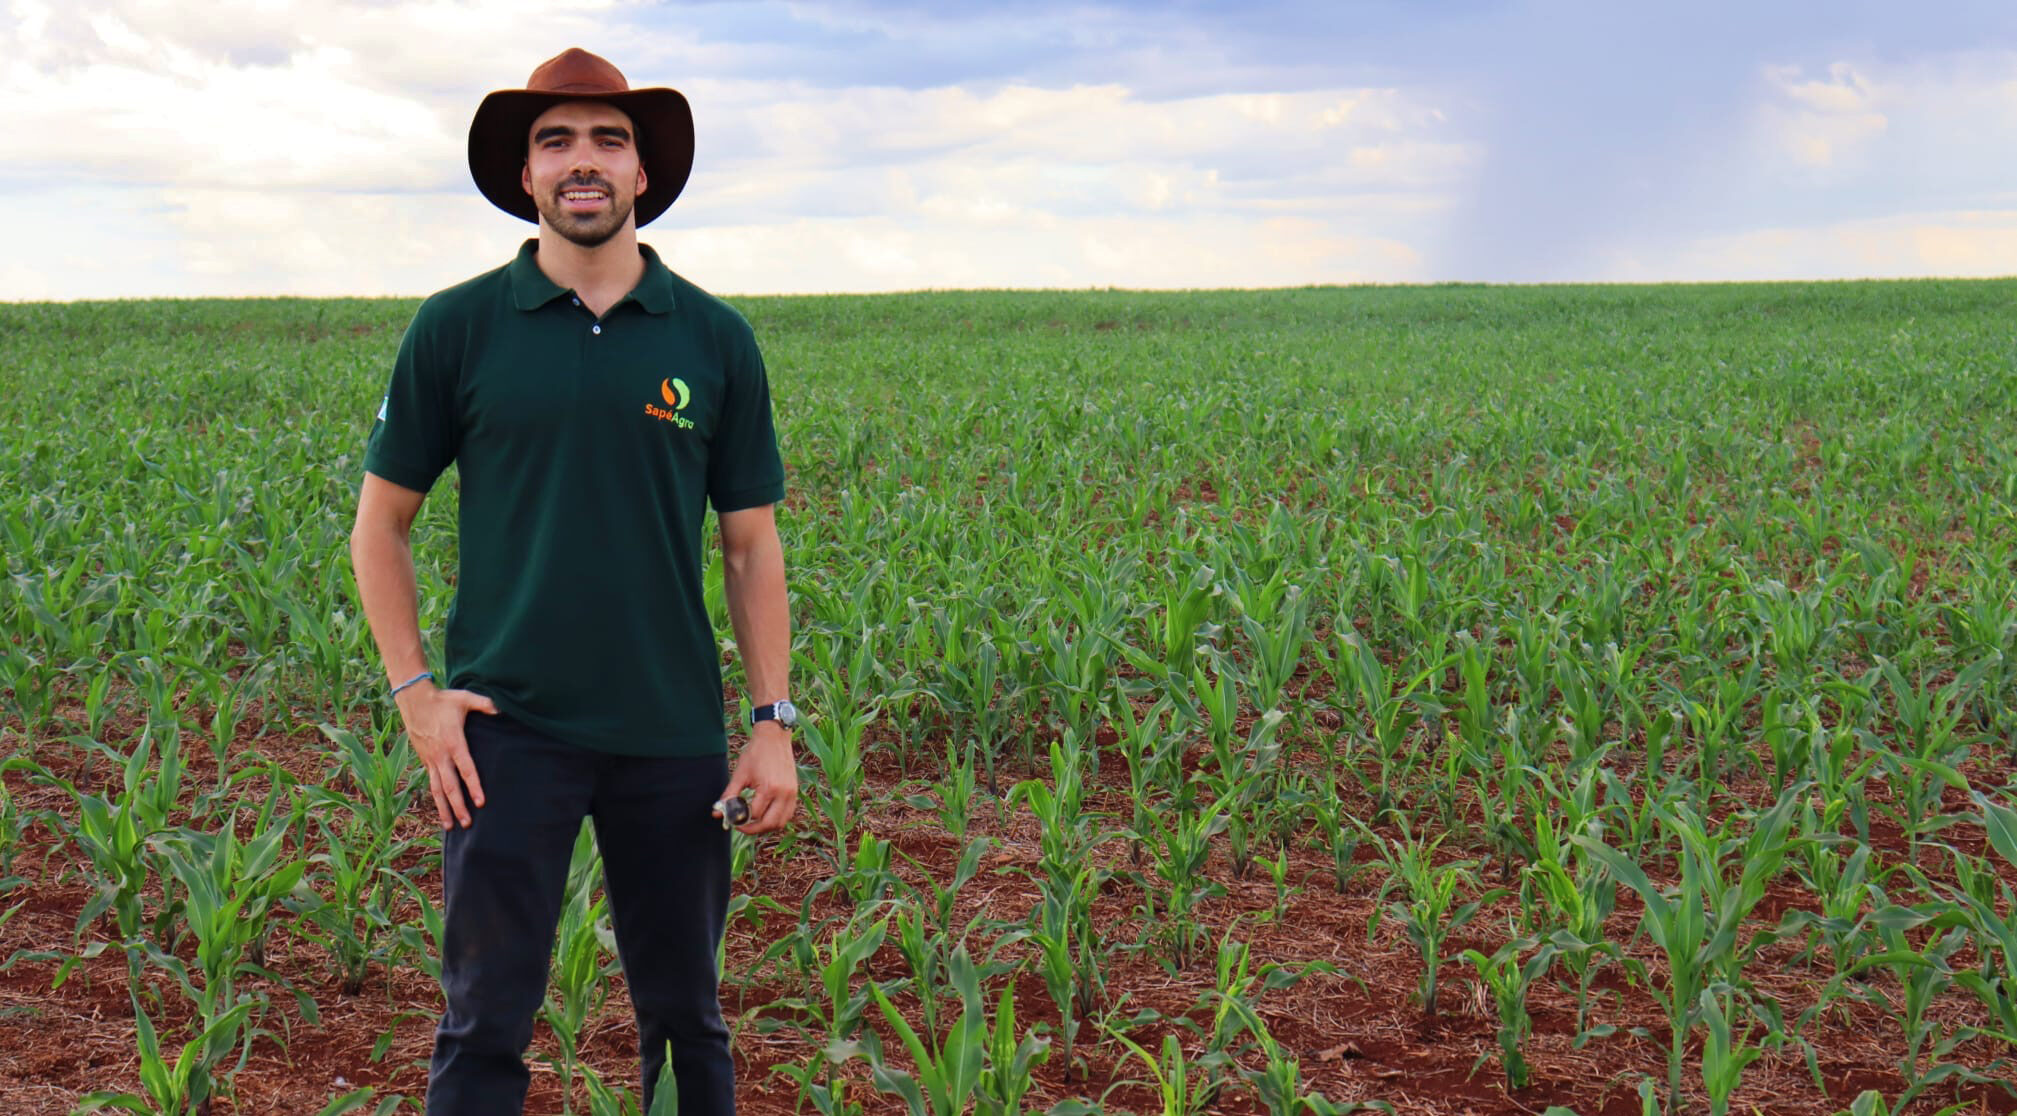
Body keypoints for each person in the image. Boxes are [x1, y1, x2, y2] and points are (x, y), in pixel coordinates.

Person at [348, 47, 798, 1116]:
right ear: (526, 176)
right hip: (505, 731)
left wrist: (772, 719)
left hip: (670, 733)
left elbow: (749, 545)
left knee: (688, 1019)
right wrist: (418, 699)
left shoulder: (713, 338)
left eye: (608, 140)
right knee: (484, 1020)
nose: (581, 161)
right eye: (556, 141)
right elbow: (381, 528)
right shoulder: (457, 327)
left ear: (644, 173)